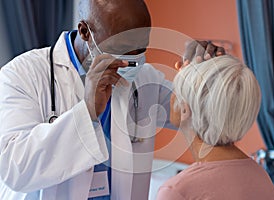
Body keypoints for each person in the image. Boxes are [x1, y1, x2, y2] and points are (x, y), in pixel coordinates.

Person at [0, 0, 225, 199]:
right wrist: (87, 110)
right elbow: (13, 169)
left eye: (140, 49)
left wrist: (209, 74)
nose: (132, 61)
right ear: (85, 31)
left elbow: (200, 115)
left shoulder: (144, 79)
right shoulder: (22, 75)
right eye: (123, 49)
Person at [156, 55, 274, 200]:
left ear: (184, 110)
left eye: (175, 90)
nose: (171, 95)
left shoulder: (177, 191)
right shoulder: (261, 177)